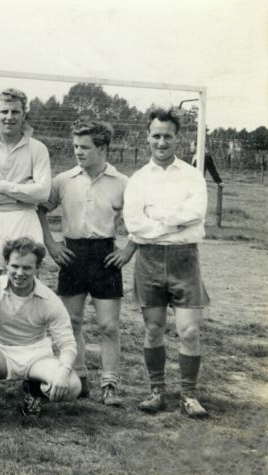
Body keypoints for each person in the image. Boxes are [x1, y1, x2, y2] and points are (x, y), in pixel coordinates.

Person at [38, 120, 136, 406]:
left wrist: (128, 250)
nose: (78, 152)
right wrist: (52, 244)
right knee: (71, 322)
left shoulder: (122, 183)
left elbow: (140, 220)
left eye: (85, 147)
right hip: (72, 254)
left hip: (105, 256)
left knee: (108, 325)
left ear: (103, 148)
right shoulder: (64, 180)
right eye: (75, 147)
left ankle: (110, 384)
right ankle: (79, 378)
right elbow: (40, 210)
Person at [124, 109, 210, 418]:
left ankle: (189, 395)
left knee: (188, 331)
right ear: (147, 137)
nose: (162, 142)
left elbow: (196, 215)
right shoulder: (137, 180)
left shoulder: (191, 175)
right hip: (149, 261)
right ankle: (156, 391)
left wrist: (157, 218)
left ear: (178, 138)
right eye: (156, 135)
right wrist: (173, 222)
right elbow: (134, 225)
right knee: (153, 329)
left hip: (185, 258)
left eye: (168, 136)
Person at [0, 237, 82, 419]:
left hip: (36, 357)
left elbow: (68, 344)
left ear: (37, 267)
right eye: (15, 266)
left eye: (27, 268)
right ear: (6, 263)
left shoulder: (49, 300)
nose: (19, 273)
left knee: (73, 386)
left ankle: (33, 391)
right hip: (0, 354)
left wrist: (63, 372)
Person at [0, 88, 51, 285]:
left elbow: (42, 193)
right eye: (4, 111)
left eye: (15, 112)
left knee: (24, 292)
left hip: (26, 222)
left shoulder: (38, 148)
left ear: (24, 114)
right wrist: (24, 193)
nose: (9, 117)